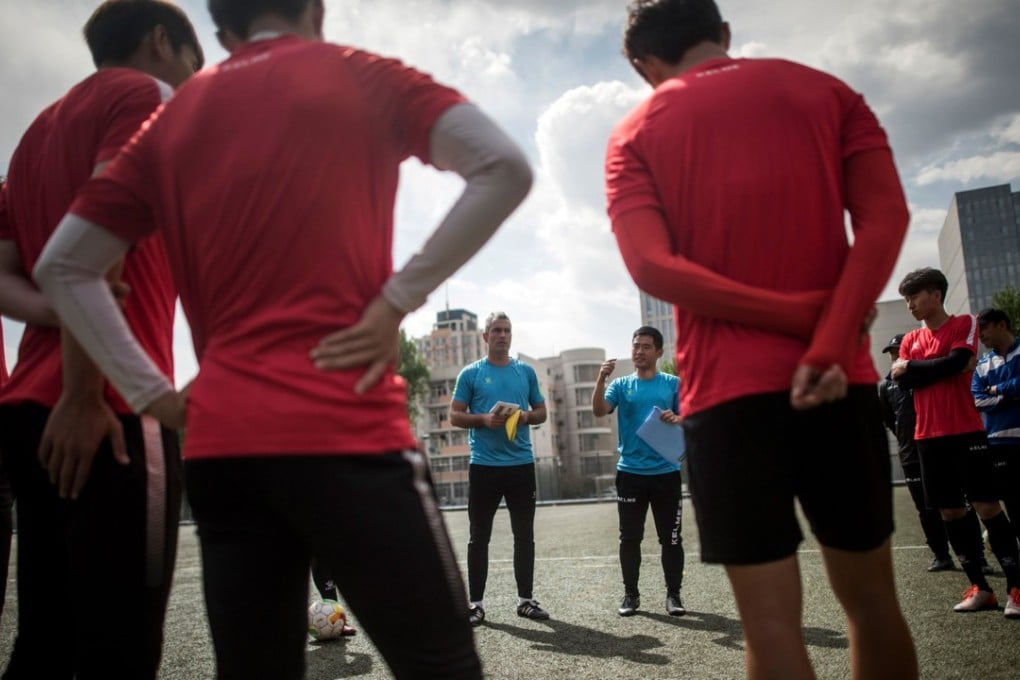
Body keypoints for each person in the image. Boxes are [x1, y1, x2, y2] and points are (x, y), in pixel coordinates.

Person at [32, 0, 532, 677]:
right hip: (345, 426)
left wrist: (151, 395)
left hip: (224, 445)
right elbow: (504, 165)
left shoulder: (171, 118)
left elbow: (64, 265)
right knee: (440, 666)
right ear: (317, 9)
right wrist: (394, 302)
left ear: (221, 30)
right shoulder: (362, 73)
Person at [604, 1, 918, 677]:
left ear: (642, 66)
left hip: (726, 399)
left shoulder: (633, 133)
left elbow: (653, 268)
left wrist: (793, 315)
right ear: (723, 35)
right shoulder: (826, 91)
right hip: (839, 383)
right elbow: (888, 217)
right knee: (873, 608)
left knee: (771, 627)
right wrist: (829, 335)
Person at [0, 3, 202, 677]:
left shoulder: (34, 134)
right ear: (160, 41)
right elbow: (96, 245)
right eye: (193, 64)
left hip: (28, 412)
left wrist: (59, 315)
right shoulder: (150, 96)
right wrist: (84, 392)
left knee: (45, 642)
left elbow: (4, 275)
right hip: (107, 412)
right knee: (120, 649)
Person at [894, 269, 1020, 617]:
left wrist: (915, 369)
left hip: (965, 432)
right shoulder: (908, 340)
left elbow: (953, 364)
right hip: (927, 437)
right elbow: (906, 382)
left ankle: (1016, 586)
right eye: (905, 299)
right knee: (950, 512)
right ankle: (981, 588)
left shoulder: (964, 322)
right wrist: (941, 367)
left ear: (935, 295)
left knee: (987, 508)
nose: (910, 306)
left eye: (914, 297)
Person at [450, 312, 549, 626]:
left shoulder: (525, 372)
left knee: (525, 536)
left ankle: (525, 601)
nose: (502, 335)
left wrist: (524, 417)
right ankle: (476, 605)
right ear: (485, 336)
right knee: (479, 537)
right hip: (484, 468)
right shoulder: (471, 374)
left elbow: (542, 412)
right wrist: (482, 419)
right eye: (496, 330)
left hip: (521, 465)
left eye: (507, 330)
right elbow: (454, 415)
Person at [591, 326, 686, 617]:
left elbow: (692, 417)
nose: (639, 351)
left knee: (671, 538)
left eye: (646, 346)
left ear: (659, 352)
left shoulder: (673, 384)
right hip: (630, 474)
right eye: (635, 346)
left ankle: (673, 595)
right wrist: (600, 379)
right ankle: (631, 595)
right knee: (629, 538)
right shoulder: (620, 385)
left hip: (666, 473)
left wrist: (678, 417)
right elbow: (598, 410)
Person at [879, 334, 992, 574]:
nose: (894, 357)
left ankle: (977, 556)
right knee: (925, 509)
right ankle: (941, 555)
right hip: (910, 453)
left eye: (898, 352)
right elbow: (890, 418)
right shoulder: (886, 385)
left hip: (937, 446)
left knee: (961, 504)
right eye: (891, 354)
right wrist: (903, 436)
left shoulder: (923, 375)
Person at [971, 307, 1020, 617]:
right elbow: (978, 399)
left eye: (986, 328)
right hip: (997, 444)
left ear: (1002, 325)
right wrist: (1007, 391)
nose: (982, 335)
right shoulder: (983, 364)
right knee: (1009, 510)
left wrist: (997, 390)